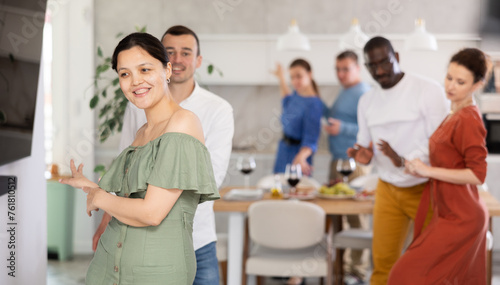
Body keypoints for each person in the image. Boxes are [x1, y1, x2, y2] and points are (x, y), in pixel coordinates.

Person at [60, 32, 219, 284]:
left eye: (145, 69)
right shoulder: (141, 133)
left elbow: (151, 212)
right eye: (125, 74)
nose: (135, 81)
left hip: (156, 272)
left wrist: (99, 197)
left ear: (167, 70)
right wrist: (91, 187)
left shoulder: (183, 122)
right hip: (107, 265)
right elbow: (130, 198)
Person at [346, 36, 448, 285]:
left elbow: (442, 144)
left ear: (397, 58)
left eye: (385, 63)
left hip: (426, 188)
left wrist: (402, 160)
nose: (380, 71)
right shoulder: (366, 101)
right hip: (388, 190)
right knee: (382, 265)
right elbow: (366, 148)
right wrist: (364, 157)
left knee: (432, 261)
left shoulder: (428, 90)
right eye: (373, 66)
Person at [388, 48, 489, 285]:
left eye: (461, 82)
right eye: (449, 77)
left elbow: (478, 174)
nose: (451, 86)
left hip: (462, 217)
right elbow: (449, 158)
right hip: (447, 212)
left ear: (476, 85)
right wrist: (418, 166)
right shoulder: (454, 112)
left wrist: (428, 171)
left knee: (402, 276)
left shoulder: (469, 118)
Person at [323, 50, 370, 284]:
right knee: (339, 217)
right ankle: (343, 272)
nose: (341, 74)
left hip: (355, 163)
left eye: (346, 69)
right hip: (339, 161)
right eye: (338, 69)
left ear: (357, 69)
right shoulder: (346, 92)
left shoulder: (363, 92)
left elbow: (368, 130)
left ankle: (358, 273)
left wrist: (341, 129)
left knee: (357, 218)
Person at [271, 59, 323, 176]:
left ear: (310, 74)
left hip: (297, 155)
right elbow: (286, 100)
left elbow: (311, 139)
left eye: (299, 76)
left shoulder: (314, 104)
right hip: (283, 151)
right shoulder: (296, 94)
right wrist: (281, 78)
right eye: (292, 77)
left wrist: (300, 157)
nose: (295, 81)